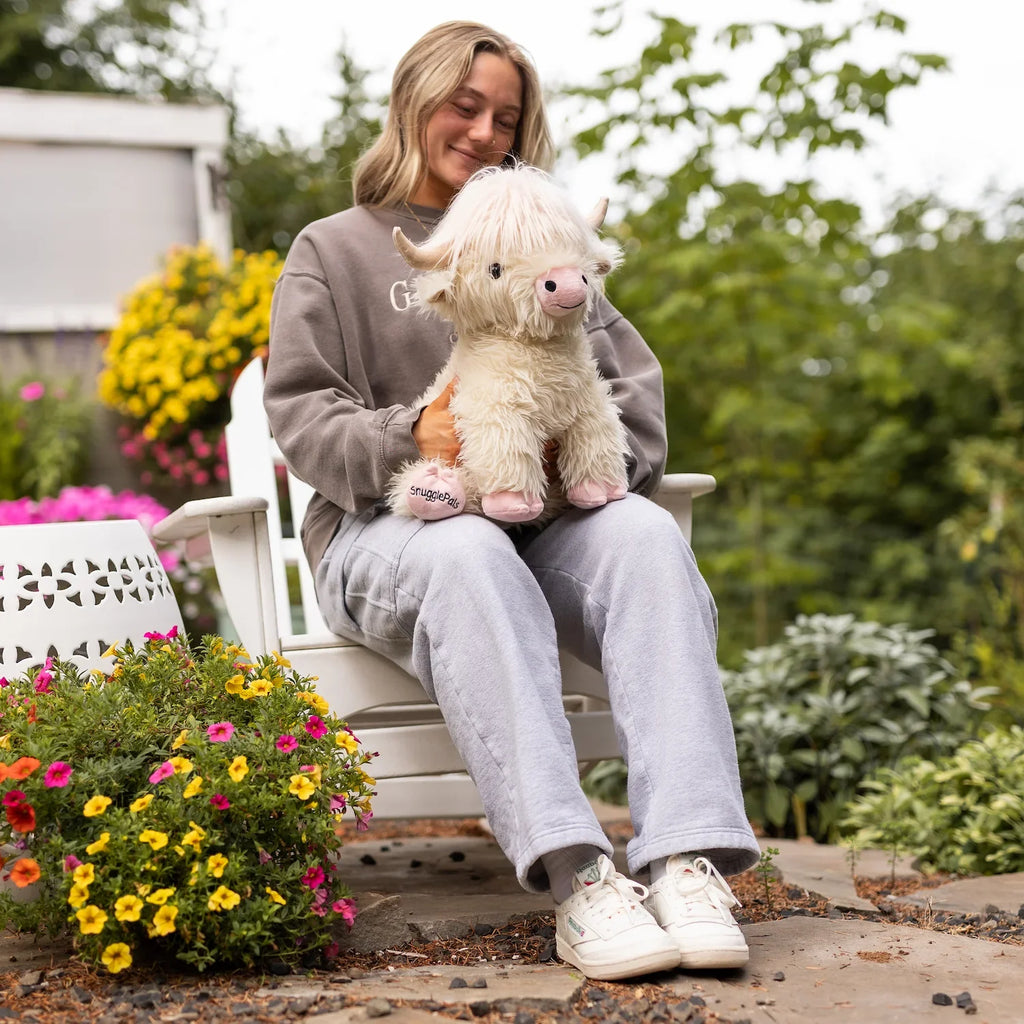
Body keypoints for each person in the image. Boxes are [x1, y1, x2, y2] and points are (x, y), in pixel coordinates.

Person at [264, 20, 761, 982]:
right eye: (466, 106)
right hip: (393, 533)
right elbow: (301, 418)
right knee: (468, 553)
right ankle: (582, 879)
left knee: (648, 540)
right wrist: (418, 436)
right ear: (416, 99)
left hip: (549, 525)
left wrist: (555, 450)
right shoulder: (336, 250)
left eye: (507, 116)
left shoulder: (549, 241)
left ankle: (685, 861)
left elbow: (632, 400)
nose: (487, 132)